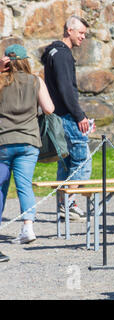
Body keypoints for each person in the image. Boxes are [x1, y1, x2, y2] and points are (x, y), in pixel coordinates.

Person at [0, 44, 55, 245]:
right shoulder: (35, 81)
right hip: (29, 141)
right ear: (25, 61)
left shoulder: (0, 81)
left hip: (3, 142)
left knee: (0, 186)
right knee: (24, 186)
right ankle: (28, 228)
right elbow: (49, 108)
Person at [41, 15, 92, 222]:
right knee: (82, 160)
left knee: (66, 163)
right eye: (80, 33)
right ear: (69, 30)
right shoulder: (62, 54)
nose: (83, 37)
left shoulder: (53, 52)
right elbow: (65, 88)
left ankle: (64, 206)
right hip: (67, 116)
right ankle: (70, 203)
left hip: (59, 116)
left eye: (85, 34)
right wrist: (80, 115)